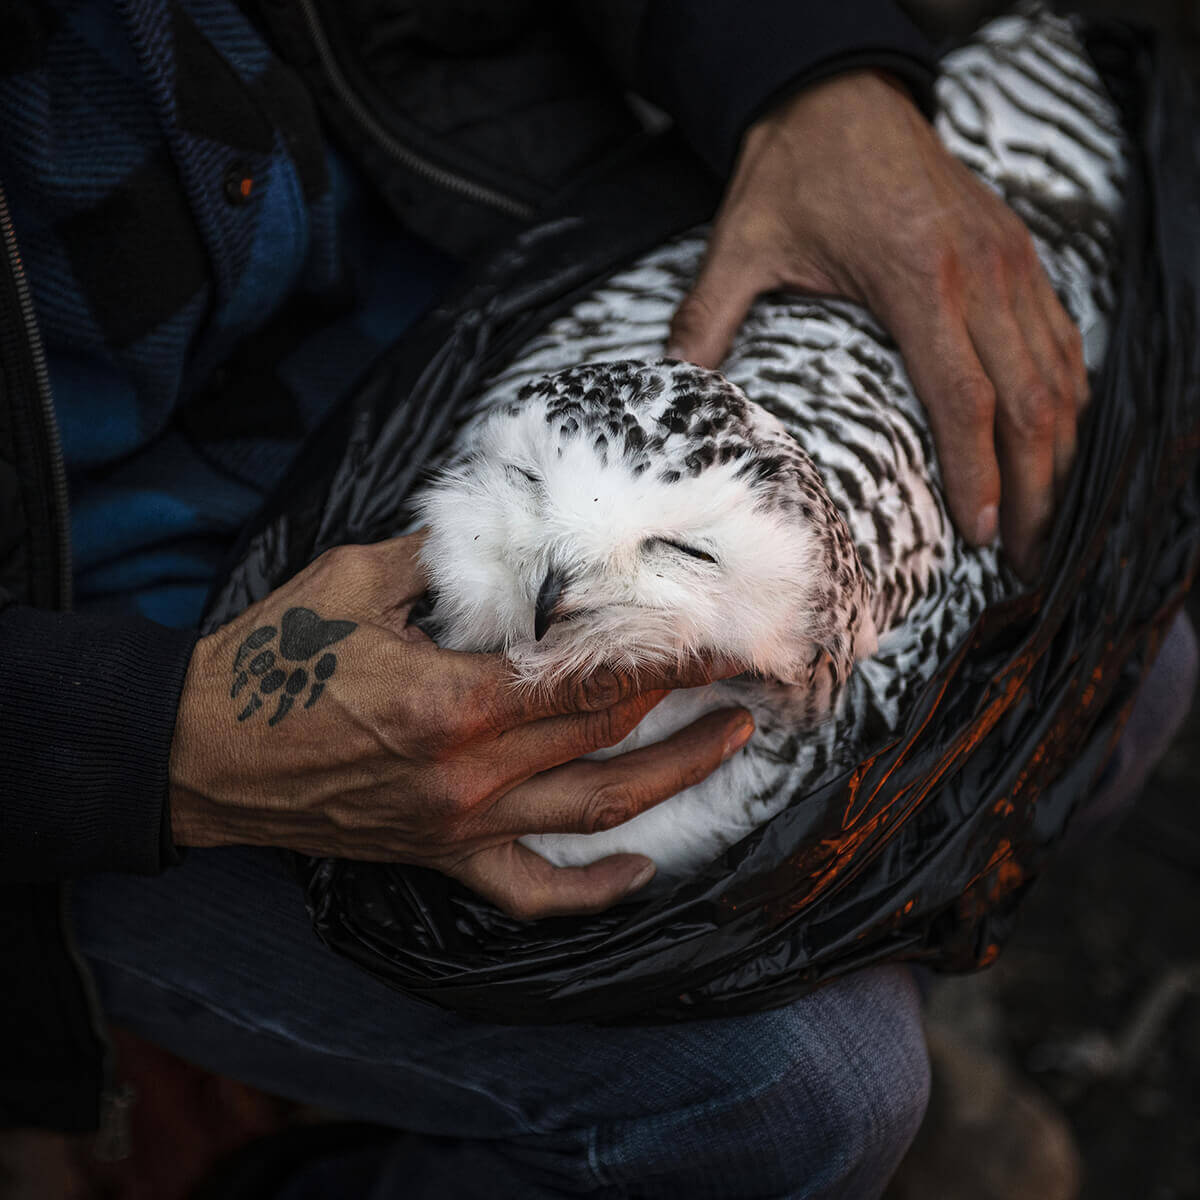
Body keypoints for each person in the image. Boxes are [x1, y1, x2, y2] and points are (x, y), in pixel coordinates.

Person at [0, 2, 1168, 1196]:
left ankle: (823, 1002)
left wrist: (807, 73)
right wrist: (155, 742)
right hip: (84, 652)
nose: (573, 595)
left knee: (1127, 673)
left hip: (470, 241)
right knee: (805, 1092)